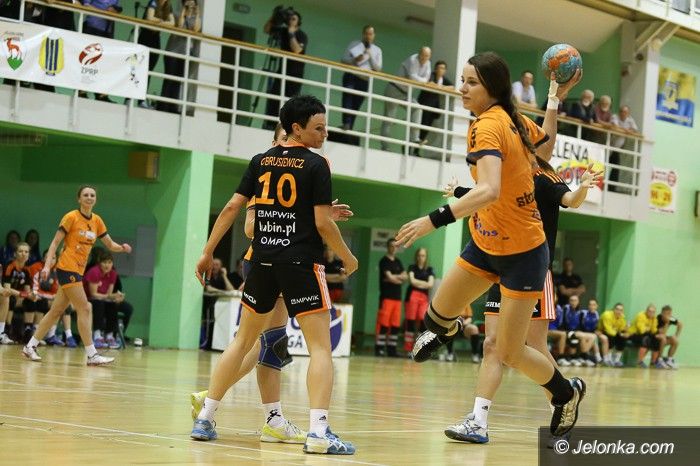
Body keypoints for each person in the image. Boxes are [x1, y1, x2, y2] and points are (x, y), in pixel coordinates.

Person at [396, 52, 585, 440]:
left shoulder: (489, 126)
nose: (462, 89)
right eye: (462, 80)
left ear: (492, 88)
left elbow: (489, 189)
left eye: (471, 83)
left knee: (510, 351)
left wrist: (433, 219)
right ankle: (447, 330)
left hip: (524, 253)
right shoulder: (505, 118)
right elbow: (545, 149)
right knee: (436, 318)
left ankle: (566, 395)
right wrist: (553, 98)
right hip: (485, 243)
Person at [190, 95, 357, 455]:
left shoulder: (260, 161)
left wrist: (207, 251)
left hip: (263, 263)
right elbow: (320, 224)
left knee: (245, 342)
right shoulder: (317, 164)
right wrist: (347, 256)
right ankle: (318, 432)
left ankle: (207, 417)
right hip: (300, 264)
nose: (325, 134)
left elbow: (232, 207)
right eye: (319, 128)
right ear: (296, 127)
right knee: (320, 349)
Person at [21, 185, 132, 365]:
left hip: (78, 271)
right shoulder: (71, 217)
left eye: (92, 195)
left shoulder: (97, 221)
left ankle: (30, 346)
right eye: (85, 195)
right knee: (85, 307)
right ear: (79, 199)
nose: (89, 197)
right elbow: (55, 243)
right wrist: (47, 266)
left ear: (95, 199)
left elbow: (110, 244)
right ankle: (92, 354)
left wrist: (122, 248)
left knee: (56, 311)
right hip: (67, 267)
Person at [263, 8, 308, 130]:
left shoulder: (301, 35)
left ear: (298, 22)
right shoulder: (283, 31)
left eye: (294, 18)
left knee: (291, 101)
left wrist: (291, 33)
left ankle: (287, 126)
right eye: (289, 18)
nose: (290, 20)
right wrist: (274, 17)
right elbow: (266, 29)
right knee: (275, 96)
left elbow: (297, 50)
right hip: (282, 70)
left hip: (295, 73)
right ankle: (270, 124)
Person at [380, 47, 431, 151]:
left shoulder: (428, 64)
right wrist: (421, 81)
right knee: (389, 119)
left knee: (417, 109)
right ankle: (385, 146)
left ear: (429, 56)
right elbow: (413, 77)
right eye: (422, 55)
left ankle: (414, 138)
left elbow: (425, 79)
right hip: (394, 89)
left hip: (406, 93)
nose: (423, 58)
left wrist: (421, 81)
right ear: (419, 53)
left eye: (426, 56)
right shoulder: (413, 59)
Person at [158, 0, 202, 114]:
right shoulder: (177, 14)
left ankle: (173, 107)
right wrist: (183, 11)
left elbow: (196, 29)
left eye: (193, 4)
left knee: (178, 81)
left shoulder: (196, 19)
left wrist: (197, 13)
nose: (190, 6)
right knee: (169, 79)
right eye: (188, 3)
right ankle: (163, 106)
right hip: (173, 51)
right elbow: (180, 26)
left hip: (185, 54)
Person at [340, 25, 382, 131]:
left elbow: (378, 68)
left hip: (364, 80)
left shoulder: (377, 50)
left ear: (374, 35)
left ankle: (349, 127)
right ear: (363, 34)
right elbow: (343, 59)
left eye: (370, 34)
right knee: (347, 98)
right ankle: (346, 123)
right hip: (351, 76)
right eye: (366, 33)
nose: (368, 36)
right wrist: (355, 60)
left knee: (356, 104)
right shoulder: (354, 44)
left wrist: (370, 56)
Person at [137, 0, 175, 109]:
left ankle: (141, 101)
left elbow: (172, 23)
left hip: (155, 39)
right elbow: (149, 17)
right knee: (137, 70)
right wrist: (162, 21)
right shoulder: (153, 2)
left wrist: (158, 22)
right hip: (145, 37)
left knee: (148, 71)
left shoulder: (168, 6)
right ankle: (128, 99)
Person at [375, 238, 407, 357]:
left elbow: (405, 277)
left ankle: (391, 350)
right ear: (388, 247)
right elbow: (391, 277)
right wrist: (397, 278)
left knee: (395, 325)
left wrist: (394, 278)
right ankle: (379, 348)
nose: (394, 248)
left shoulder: (398, 262)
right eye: (391, 246)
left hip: (397, 298)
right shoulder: (384, 261)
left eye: (395, 246)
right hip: (386, 297)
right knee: (383, 324)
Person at [415, 60, 454, 155]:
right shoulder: (431, 75)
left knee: (426, 128)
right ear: (435, 69)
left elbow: (452, 87)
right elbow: (430, 83)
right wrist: (439, 87)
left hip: (433, 108)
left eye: (443, 68)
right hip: (424, 105)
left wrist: (441, 87)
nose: (441, 70)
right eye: (439, 68)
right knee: (419, 127)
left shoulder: (443, 79)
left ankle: (416, 150)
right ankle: (409, 147)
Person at [84, 253, 120, 349]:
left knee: (112, 304)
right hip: (88, 299)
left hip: (103, 298)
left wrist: (116, 297)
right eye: (104, 262)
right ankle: (97, 335)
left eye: (109, 262)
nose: (107, 265)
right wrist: (109, 296)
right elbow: (93, 294)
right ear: (99, 263)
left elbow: (109, 294)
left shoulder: (113, 274)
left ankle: (109, 335)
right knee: (99, 304)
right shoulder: (94, 272)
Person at [403, 247, 434, 353]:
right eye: (419, 255)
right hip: (411, 296)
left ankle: (419, 348)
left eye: (423, 255)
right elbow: (412, 281)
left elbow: (430, 284)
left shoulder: (430, 269)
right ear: (416, 257)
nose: (421, 258)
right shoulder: (412, 267)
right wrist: (424, 283)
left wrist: (418, 283)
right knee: (410, 321)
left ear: (426, 257)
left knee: (422, 321)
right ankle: (408, 349)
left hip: (424, 297)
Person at [1, 242, 32, 343]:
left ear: (29, 255)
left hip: (19, 297)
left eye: (26, 252)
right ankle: (6, 330)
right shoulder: (9, 266)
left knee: (31, 302)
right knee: (10, 299)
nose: (23, 254)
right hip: (6, 295)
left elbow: (27, 290)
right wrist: (21, 294)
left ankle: (28, 333)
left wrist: (31, 295)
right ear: (15, 254)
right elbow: (7, 289)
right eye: (20, 251)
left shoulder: (27, 270)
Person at [609, 105, 639, 193]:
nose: (623, 113)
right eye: (622, 111)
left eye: (625, 112)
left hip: (617, 148)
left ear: (628, 114)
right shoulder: (615, 117)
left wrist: (627, 130)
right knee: (602, 165)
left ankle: (611, 188)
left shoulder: (630, 120)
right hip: (608, 146)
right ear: (619, 112)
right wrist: (626, 130)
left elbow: (635, 130)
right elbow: (615, 127)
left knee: (616, 168)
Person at [628, 304, 665, 369]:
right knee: (646, 338)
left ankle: (653, 362)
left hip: (646, 334)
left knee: (657, 340)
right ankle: (639, 362)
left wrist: (649, 327)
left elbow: (654, 330)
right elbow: (641, 330)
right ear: (646, 311)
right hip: (633, 334)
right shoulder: (640, 316)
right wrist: (648, 329)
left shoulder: (654, 319)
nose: (651, 313)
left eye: (653, 312)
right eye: (649, 311)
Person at [597, 303, 629, 367]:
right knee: (611, 336)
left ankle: (616, 360)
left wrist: (625, 329)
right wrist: (619, 333)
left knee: (623, 338)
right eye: (617, 309)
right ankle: (609, 359)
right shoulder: (607, 315)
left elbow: (621, 329)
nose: (619, 311)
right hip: (601, 331)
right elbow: (608, 330)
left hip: (614, 332)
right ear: (613, 309)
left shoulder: (622, 317)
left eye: (621, 310)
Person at [657, 305, 681, 369]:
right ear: (662, 313)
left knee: (675, 340)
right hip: (655, 338)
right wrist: (667, 323)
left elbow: (680, 324)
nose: (668, 316)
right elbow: (662, 333)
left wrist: (676, 336)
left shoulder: (671, 318)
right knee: (663, 338)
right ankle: (659, 360)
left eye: (669, 314)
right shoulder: (658, 318)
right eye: (666, 314)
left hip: (663, 338)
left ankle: (669, 361)